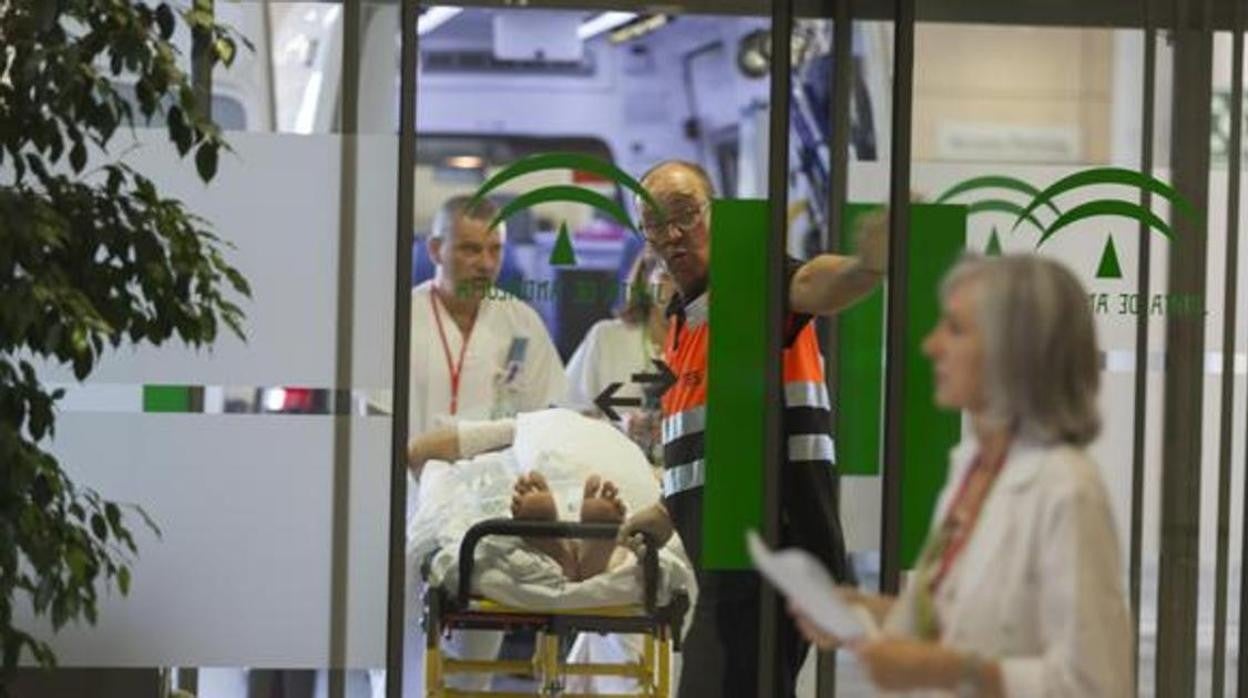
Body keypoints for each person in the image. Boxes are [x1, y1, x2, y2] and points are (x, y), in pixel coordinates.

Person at [789, 254, 1132, 696]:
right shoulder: (969, 467)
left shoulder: (1067, 489)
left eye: (955, 329)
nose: (932, 345)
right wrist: (863, 612)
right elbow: (956, 627)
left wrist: (950, 671)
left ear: (1014, 351)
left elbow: (1096, 684)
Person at [617, 159, 887, 697]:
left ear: (716, 213)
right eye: (654, 224)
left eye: (686, 215)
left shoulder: (750, 283)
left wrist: (866, 266)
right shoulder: (680, 318)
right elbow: (717, 442)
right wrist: (669, 510)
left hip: (769, 544)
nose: (672, 236)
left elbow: (811, 282)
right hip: (723, 550)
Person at [393, 195, 567, 697]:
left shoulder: (521, 324)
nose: (485, 263)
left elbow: (546, 418)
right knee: (403, 650)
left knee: (473, 662)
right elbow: (377, 422)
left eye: (494, 249)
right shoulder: (400, 320)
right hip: (407, 505)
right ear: (435, 249)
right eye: (470, 249)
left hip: (486, 513)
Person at [564, 251, 674, 463]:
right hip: (612, 473)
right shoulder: (606, 337)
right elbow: (568, 417)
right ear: (645, 280)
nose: (678, 289)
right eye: (667, 276)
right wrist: (619, 427)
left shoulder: (706, 345)